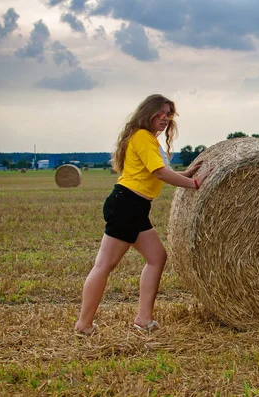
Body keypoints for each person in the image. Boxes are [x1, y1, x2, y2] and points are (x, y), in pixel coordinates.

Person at [74, 94, 208, 335]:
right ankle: (83, 324)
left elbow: (160, 170)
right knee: (104, 265)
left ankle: (143, 318)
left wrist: (186, 174)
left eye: (169, 114)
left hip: (134, 207)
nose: (165, 118)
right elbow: (159, 173)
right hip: (126, 205)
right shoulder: (143, 137)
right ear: (148, 113)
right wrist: (194, 184)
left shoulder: (146, 139)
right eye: (160, 113)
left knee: (157, 257)